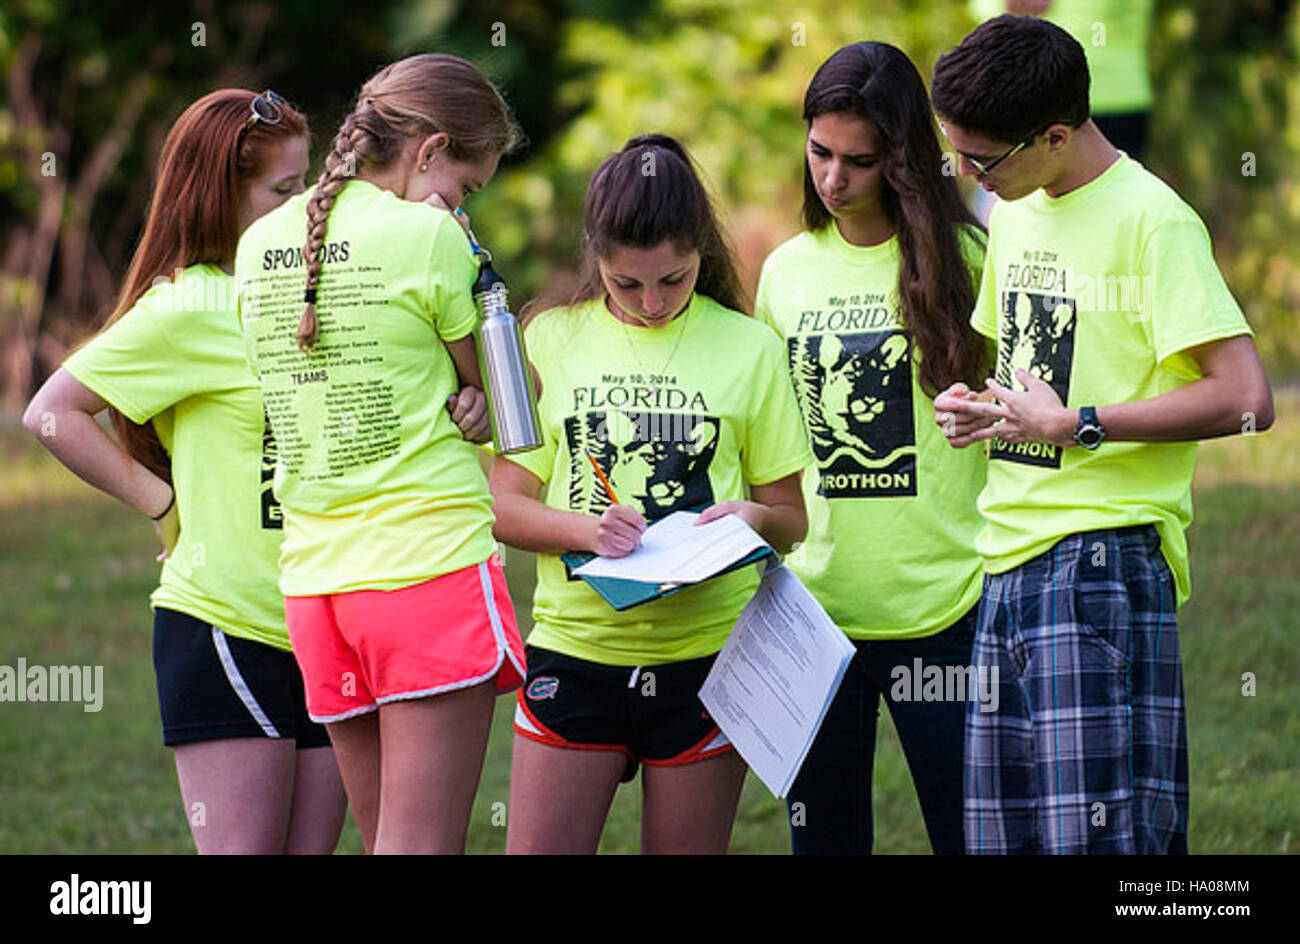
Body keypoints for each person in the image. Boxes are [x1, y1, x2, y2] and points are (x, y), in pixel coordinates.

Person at [930, 14, 1275, 854]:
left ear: (1054, 135)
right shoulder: (1014, 207)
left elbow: (1247, 399)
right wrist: (986, 408)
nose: (967, 173)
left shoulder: (1154, 221)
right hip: (1004, 563)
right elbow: (1040, 374)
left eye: (981, 158)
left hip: (1097, 568)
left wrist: (1078, 426)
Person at [22, 89, 349, 854]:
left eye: (307, 186)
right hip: (229, 629)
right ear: (221, 195)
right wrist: (160, 501)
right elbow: (51, 412)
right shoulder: (189, 306)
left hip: (328, 625)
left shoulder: (314, 294)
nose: (306, 207)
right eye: (283, 191)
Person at [235, 54, 527, 855]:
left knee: (385, 843)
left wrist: (456, 391)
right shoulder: (430, 235)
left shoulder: (258, 243)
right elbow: (510, 404)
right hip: (424, 568)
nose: (460, 204)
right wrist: (472, 398)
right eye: (466, 186)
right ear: (430, 151)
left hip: (317, 588)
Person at [491, 134, 812, 854]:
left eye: (674, 279)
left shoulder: (750, 348)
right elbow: (503, 504)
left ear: (701, 249)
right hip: (577, 654)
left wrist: (754, 518)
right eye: (625, 283)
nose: (651, 302)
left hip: (710, 663)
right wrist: (587, 532)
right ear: (595, 256)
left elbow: (791, 518)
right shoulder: (548, 337)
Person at [754, 42, 990, 855]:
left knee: (973, 839)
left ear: (904, 158)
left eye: (860, 160)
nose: (833, 178)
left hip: (951, 605)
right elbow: (771, 444)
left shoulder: (969, 261)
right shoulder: (784, 273)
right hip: (814, 610)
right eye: (820, 152)